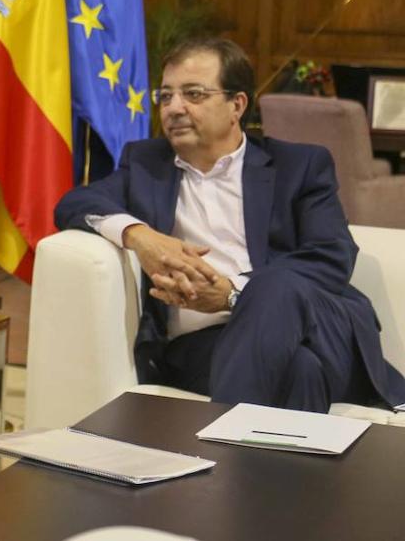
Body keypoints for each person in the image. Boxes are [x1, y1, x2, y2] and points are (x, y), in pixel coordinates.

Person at [56, 37, 405, 412]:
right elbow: (74, 204)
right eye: (166, 96)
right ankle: (254, 468)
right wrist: (140, 237)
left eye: (193, 94)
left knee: (277, 285)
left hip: (318, 325)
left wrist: (234, 293)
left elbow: (332, 255)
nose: (174, 108)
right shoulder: (145, 164)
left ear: (236, 104)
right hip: (205, 345)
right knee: (302, 370)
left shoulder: (298, 166)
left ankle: (216, 457)